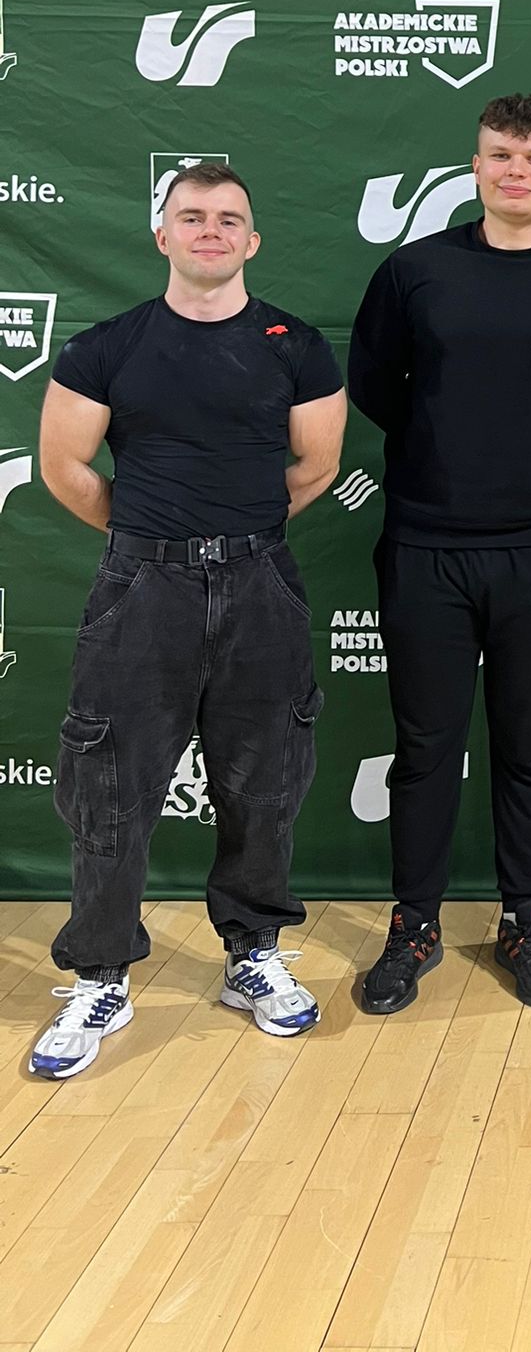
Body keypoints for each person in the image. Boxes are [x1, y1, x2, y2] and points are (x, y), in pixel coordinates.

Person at [30, 162, 345, 1079]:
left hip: (262, 584)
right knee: (108, 788)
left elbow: (316, 465)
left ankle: (253, 955)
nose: (212, 230)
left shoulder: (297, 346)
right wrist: (150, 538)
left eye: (229, 219)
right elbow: (65, 467)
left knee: (264, 783)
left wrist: (232, 538)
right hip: (141, 590)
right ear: (161, 234)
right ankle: (101, 975)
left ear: (253, 241)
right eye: (193, 216)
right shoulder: (106, 348)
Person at [348, 93, 531, 1014]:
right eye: (501, 155)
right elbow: (375, 386)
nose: (517, 170)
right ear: (475, 165)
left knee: (530, 746)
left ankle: (525, 920)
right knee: (425, 747)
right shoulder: (414, 272)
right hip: (426, 545)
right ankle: (415, 924)